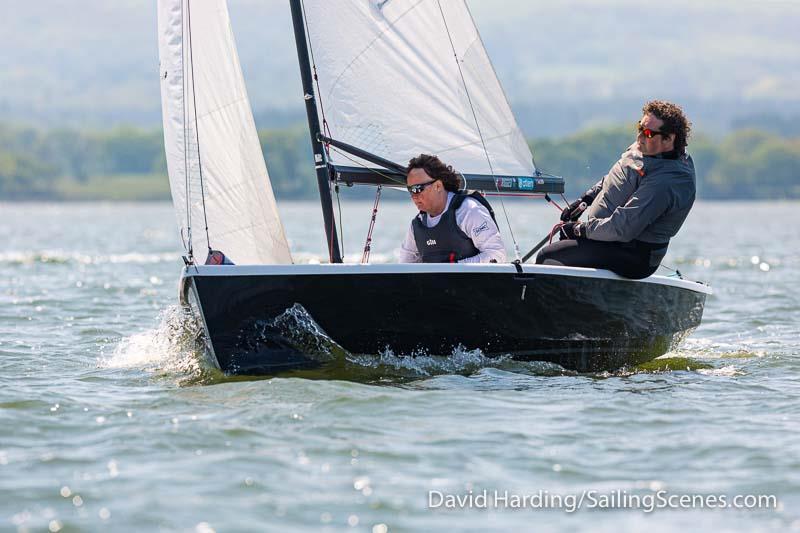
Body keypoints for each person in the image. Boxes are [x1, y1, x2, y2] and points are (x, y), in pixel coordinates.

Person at [535, 100, 695, 279]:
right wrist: (585, 200)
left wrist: (580, 230)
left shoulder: (667, 181)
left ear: (669, 139)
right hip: (608, 238)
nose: (640, 137)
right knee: (562, 246)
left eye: (648, 133)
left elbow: (623, 228)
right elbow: (616, 177)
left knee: (548, 257)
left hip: (633, 254)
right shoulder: (645, 148)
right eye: (639, 127)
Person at [398, 154, 506, 263]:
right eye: (410, 190)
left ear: (438, 186)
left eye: (418, 189)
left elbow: (497, 255)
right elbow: (403, 268)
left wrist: (453, 268)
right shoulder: (416, 225)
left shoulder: (468, 211)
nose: (413, 195)